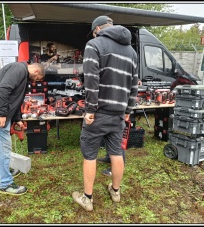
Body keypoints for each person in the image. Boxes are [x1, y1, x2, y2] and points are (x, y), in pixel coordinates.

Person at [72, 16, 138, 211]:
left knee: (90, 155)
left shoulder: (94, 44)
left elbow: (91, 80)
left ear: (98, 29)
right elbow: (134, 85)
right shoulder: (132, 52)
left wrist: (90, 110)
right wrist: (128, 111)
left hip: (98, 113)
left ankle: (87, 198)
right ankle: (115, 191)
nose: (94, 34)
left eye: (94, 32)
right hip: (119, 114)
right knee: (116, 152)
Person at [0, 62, 45, 195]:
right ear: (36, 72)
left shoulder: (22, 76)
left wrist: (17, 119)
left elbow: (16, 100)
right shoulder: (19, 69)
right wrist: (1, 113)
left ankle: (2, 173)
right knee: (3, 146)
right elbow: (4, 89)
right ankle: (5, 183)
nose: (36, 81)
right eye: (38, 78)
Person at [98, 79, 143, 177]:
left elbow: (135, 85)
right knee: (108, 135)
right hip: (111, 106)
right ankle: (109, 158)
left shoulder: (127, 67)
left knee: (118, 140)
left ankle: (117, 167)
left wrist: (128, 110)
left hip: (120, 109)